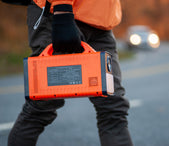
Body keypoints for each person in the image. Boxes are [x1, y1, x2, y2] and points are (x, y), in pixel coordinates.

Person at [8, 0, 133, 146]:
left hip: (100, 22)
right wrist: (62, 10)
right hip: (58, 14)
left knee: (113, 107)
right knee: (41, 105)